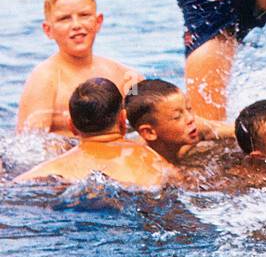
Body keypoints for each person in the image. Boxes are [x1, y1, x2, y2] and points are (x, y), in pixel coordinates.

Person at [16, 0, 141, 135]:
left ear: (98, 22)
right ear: (48, 30)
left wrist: (134, 93)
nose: (76, 25)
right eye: (65, 18)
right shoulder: (45, 80)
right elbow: (28, 149)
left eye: (84, 15)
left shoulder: (123, 74)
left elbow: (144, 124)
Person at [14, 78, 181, 190]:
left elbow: (14, 187)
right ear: (123, 119)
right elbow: (181, 184)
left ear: (71, 126)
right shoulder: (150, 160)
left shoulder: (51, 168)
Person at [124, 79, 233, 165]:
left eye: (189, 108)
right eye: (177, 117)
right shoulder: (142, 163)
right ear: (149, 132)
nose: (190, 118)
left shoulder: (196, 127)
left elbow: (236, 130)